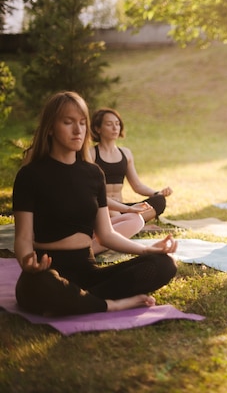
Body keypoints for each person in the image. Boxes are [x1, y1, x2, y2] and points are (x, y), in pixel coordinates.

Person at [12, 91, 178, 317]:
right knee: (41, 285)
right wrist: (26, 262)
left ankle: (78, 300)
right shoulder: (30, 175)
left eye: (82, 123)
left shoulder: (93, 174)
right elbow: (22, 238)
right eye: (68, 122)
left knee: (164, 264)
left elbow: (106, 234)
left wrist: (147, 250)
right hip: (47, 270)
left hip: (88, 272)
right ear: (50, 127)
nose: (78, 130)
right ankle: (112, 304)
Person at [89, 108, 173, 223]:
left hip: (123, 207)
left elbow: (137, 185)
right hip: (103, 206)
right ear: (98, 128)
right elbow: (90, 191)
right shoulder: (91, 153)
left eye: (117, 124)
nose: (115, 128)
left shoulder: (126, 153)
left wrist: (156, 193)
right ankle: (129, 224)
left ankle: (125, 223)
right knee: (108, 208)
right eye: (109, 124)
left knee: (159, 201)